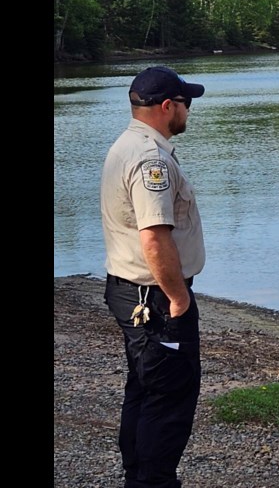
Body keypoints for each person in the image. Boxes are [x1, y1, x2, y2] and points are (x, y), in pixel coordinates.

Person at [100, 65, 207, 488]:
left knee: (144, 390)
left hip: (134, 292)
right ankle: (154, 482)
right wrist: (179, 301)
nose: (188, 111)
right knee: (169, 397)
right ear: (167, 106)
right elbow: (154, 238)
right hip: (155, 298)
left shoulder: (127, 146)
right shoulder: (150, 159)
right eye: (186, 103)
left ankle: (139, 478)